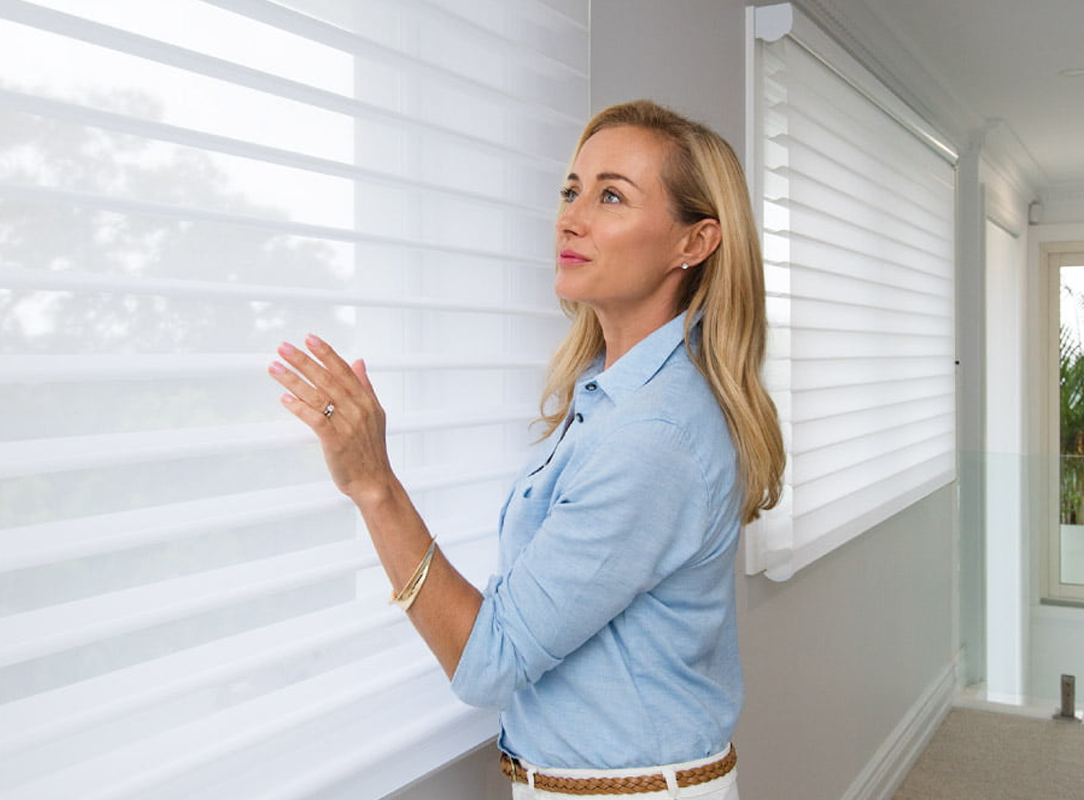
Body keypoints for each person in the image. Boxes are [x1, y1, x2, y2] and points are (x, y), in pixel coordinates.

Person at [269, 99, 784, 799]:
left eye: (612, 196)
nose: (571, 217)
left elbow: (491, 663)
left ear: (693, 244)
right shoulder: (613, 391)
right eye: (572, 190)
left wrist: (374, 486)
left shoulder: (653, 434)